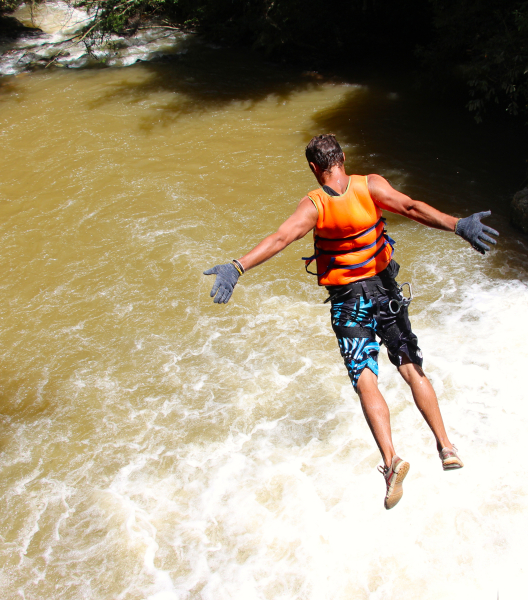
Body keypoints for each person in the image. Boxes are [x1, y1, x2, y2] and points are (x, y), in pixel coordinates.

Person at [203, 134, 499, 509]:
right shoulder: (370, 186)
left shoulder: (315, 206)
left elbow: (281, 238)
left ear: (314, 168)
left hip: (348, 303)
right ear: (343, 158)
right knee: (410, 367)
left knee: (365, 379)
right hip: (385, 292)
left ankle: (392, 461)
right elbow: (411, 208)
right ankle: (446, 446)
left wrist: (237, 266)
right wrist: (458, 225)